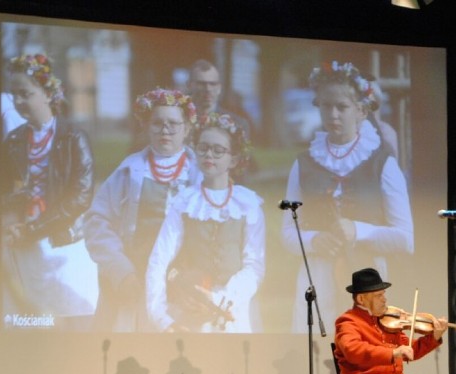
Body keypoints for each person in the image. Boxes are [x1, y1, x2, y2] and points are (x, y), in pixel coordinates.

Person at [282, 60, 413, 332]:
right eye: (326, 106)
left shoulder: (382, 163)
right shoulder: (304, 163)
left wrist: (358, 230)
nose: (333, 114)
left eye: (341, 107)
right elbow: (287, 234)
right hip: (317, 276)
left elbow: (405, 238)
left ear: (362, 111)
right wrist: (315, 240)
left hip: (369, 279)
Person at [84, 88, 199, 332]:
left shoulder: (200, 174)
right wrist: (121, 270)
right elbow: (97, 221)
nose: (165, 130)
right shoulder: (129, 171)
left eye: (173, 124)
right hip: (134, 279)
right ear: (146, 127)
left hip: (183, 282)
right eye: (157, 123)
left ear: (187, 129)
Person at [2, 53, 98, 327]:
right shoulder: (14, 140)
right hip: (25, 246)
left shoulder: (73, 138)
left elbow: (80, 197)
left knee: (75, 324)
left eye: (26, 93)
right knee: (34, 324)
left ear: (47, 93)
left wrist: (34, 229)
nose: (19, 102)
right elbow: (2, 192)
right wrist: (13, 220)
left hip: (66, 245)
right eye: (14, 95)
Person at [146, 113, 265, 333]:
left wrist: (221, 299)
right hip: (191, 307)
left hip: (234, 308)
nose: (209, 154)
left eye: (218, 150)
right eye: (203, 148)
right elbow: (159, 259)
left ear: (234, 159)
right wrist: (161, 318)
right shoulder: (184, 202)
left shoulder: (247, 204)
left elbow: (255, 265)